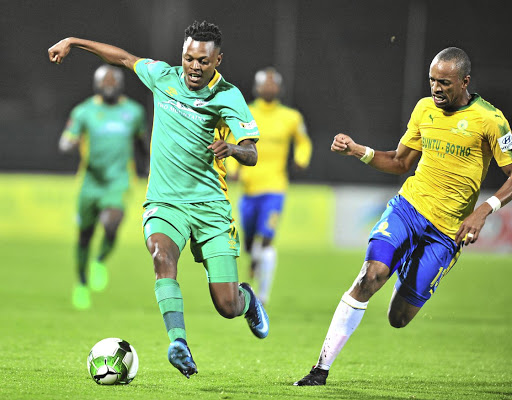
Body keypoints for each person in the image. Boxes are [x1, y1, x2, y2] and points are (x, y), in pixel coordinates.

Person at [49, 20, 269, 379]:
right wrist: (72, 40)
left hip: (210, 207)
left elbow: (252, 153)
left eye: (203, 60)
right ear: (182, 55)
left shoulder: (228, 96)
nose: (194, 67)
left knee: (227, 306)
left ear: (218, 60)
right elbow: (121, 57)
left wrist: (231, 147)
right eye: (188, 58)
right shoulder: (162, 76)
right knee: (161, 255)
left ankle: (247, 300)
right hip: (165, 202)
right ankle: (178, 342)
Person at [294, 47, 512, 386]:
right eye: (432, 81)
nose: (436, 89)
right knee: (370, 276)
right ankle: (319, 370)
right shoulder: (424, 109)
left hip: (447, 231)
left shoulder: (490, 120)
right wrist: (358, 151)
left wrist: (484, 210)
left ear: (465, 81)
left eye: (445, 83)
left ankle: (412, 271)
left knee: (399, 317)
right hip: (408, 208)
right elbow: (399, 162)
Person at [58, 64, 147, 310]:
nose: (109, 85)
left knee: (111, 222)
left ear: (120, 84)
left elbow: (141, 143)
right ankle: (82, 284)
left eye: (113, 81)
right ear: (96, 85)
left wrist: (149, 165)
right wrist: (68, 143)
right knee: (84, 236)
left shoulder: (133, 111)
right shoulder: (84, 111)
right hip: (90, 182)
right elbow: (67, 138)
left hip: (118, 180)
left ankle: (100, 260)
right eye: (104, 82)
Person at [229, 67, 312, 305]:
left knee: (266, 240)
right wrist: (233, 170)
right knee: (248, 244)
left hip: (275, 188)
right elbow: (234, 142)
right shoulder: (246, 113)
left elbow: (303, 142)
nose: (268, 88)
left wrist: (301, 159)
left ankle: (262, 295)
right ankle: (254, 262)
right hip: (248, 189)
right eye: (264, 84)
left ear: (279, 89)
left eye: (272, 84)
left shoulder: (291, 117)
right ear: (256, 88)